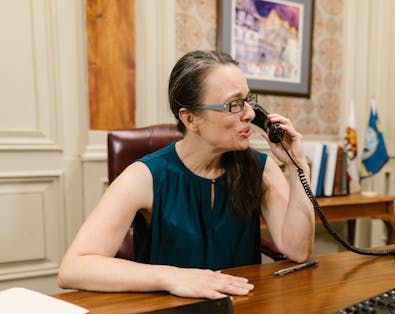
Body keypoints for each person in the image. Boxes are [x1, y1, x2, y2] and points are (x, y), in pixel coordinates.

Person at [57, 50, 315, 299]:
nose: (249, 114)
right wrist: (172, 277)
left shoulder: (261, 168)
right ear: (191, 119)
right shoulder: (144, 176)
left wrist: (297, 164)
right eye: (234, 104)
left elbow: (298, 250)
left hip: (244, 310)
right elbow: (73, 268)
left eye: (248, 100)